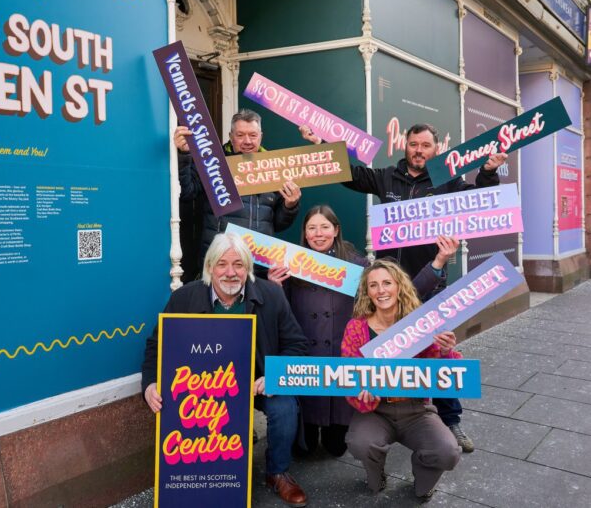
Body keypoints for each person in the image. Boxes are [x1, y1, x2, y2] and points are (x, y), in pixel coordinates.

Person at [299, 122, 507, 453]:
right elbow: (349, 174)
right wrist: (320, 144)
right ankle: (387, 416)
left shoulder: (447, 180)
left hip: (431, 279)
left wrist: (488, 173)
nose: (419, 150)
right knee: (390, 347)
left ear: (435, 149)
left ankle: (450, 420)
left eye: (426, 145)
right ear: (405, 146)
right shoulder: (386, 177)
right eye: (414, 144)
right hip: (388, 285)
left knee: (437, 351)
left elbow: (480, 199)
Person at [267, 206, 458, 460]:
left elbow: (403, 291)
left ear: (336, 230)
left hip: (343, 363)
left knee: (336, 448)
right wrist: (275, 287)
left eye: (325, 227)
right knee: (305, 449)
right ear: (304, 233)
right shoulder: (291, 265)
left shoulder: (357, 265)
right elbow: (283, 316)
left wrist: (439, 262)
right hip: (309, 363)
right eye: (312, 228)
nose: (318, 234)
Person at [141, 233, 310, 507]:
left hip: (255, 381)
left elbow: (297, 345)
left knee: (285, 406)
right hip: (203, 387)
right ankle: (200, 474)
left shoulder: (271, 295)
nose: (230, 272)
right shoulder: (185, 298)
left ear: (248, 269)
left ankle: (277, 472)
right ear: (209, 268)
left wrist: (274, 377)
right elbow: (156, 346)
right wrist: (150, 384)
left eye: (238, 264)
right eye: (222, 264)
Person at [342, 259, 462, 500]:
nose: (381, 290)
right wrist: (360, 392)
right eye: (373, 285)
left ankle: (423, 477)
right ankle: (376, 476)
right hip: (376, 410)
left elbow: (444, 374)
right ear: (367, 292)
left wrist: (446, 351)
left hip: (416, 408)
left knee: (447, 451)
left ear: (399, 287)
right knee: (360, 443)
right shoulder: (356, 327)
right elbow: (348, 375)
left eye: (387, 283)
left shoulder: (420, 324)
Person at [175, 109, 301, 274]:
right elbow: (187, 193)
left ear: (261, 136)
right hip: (219, 263)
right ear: (231, 136)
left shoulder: (275, 168)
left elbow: (277, 224)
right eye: (240, 135)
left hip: (259, 268)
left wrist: (290, 207)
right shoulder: (212, 162)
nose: (247, 141)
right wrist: (184, 155)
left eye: (253, 135)